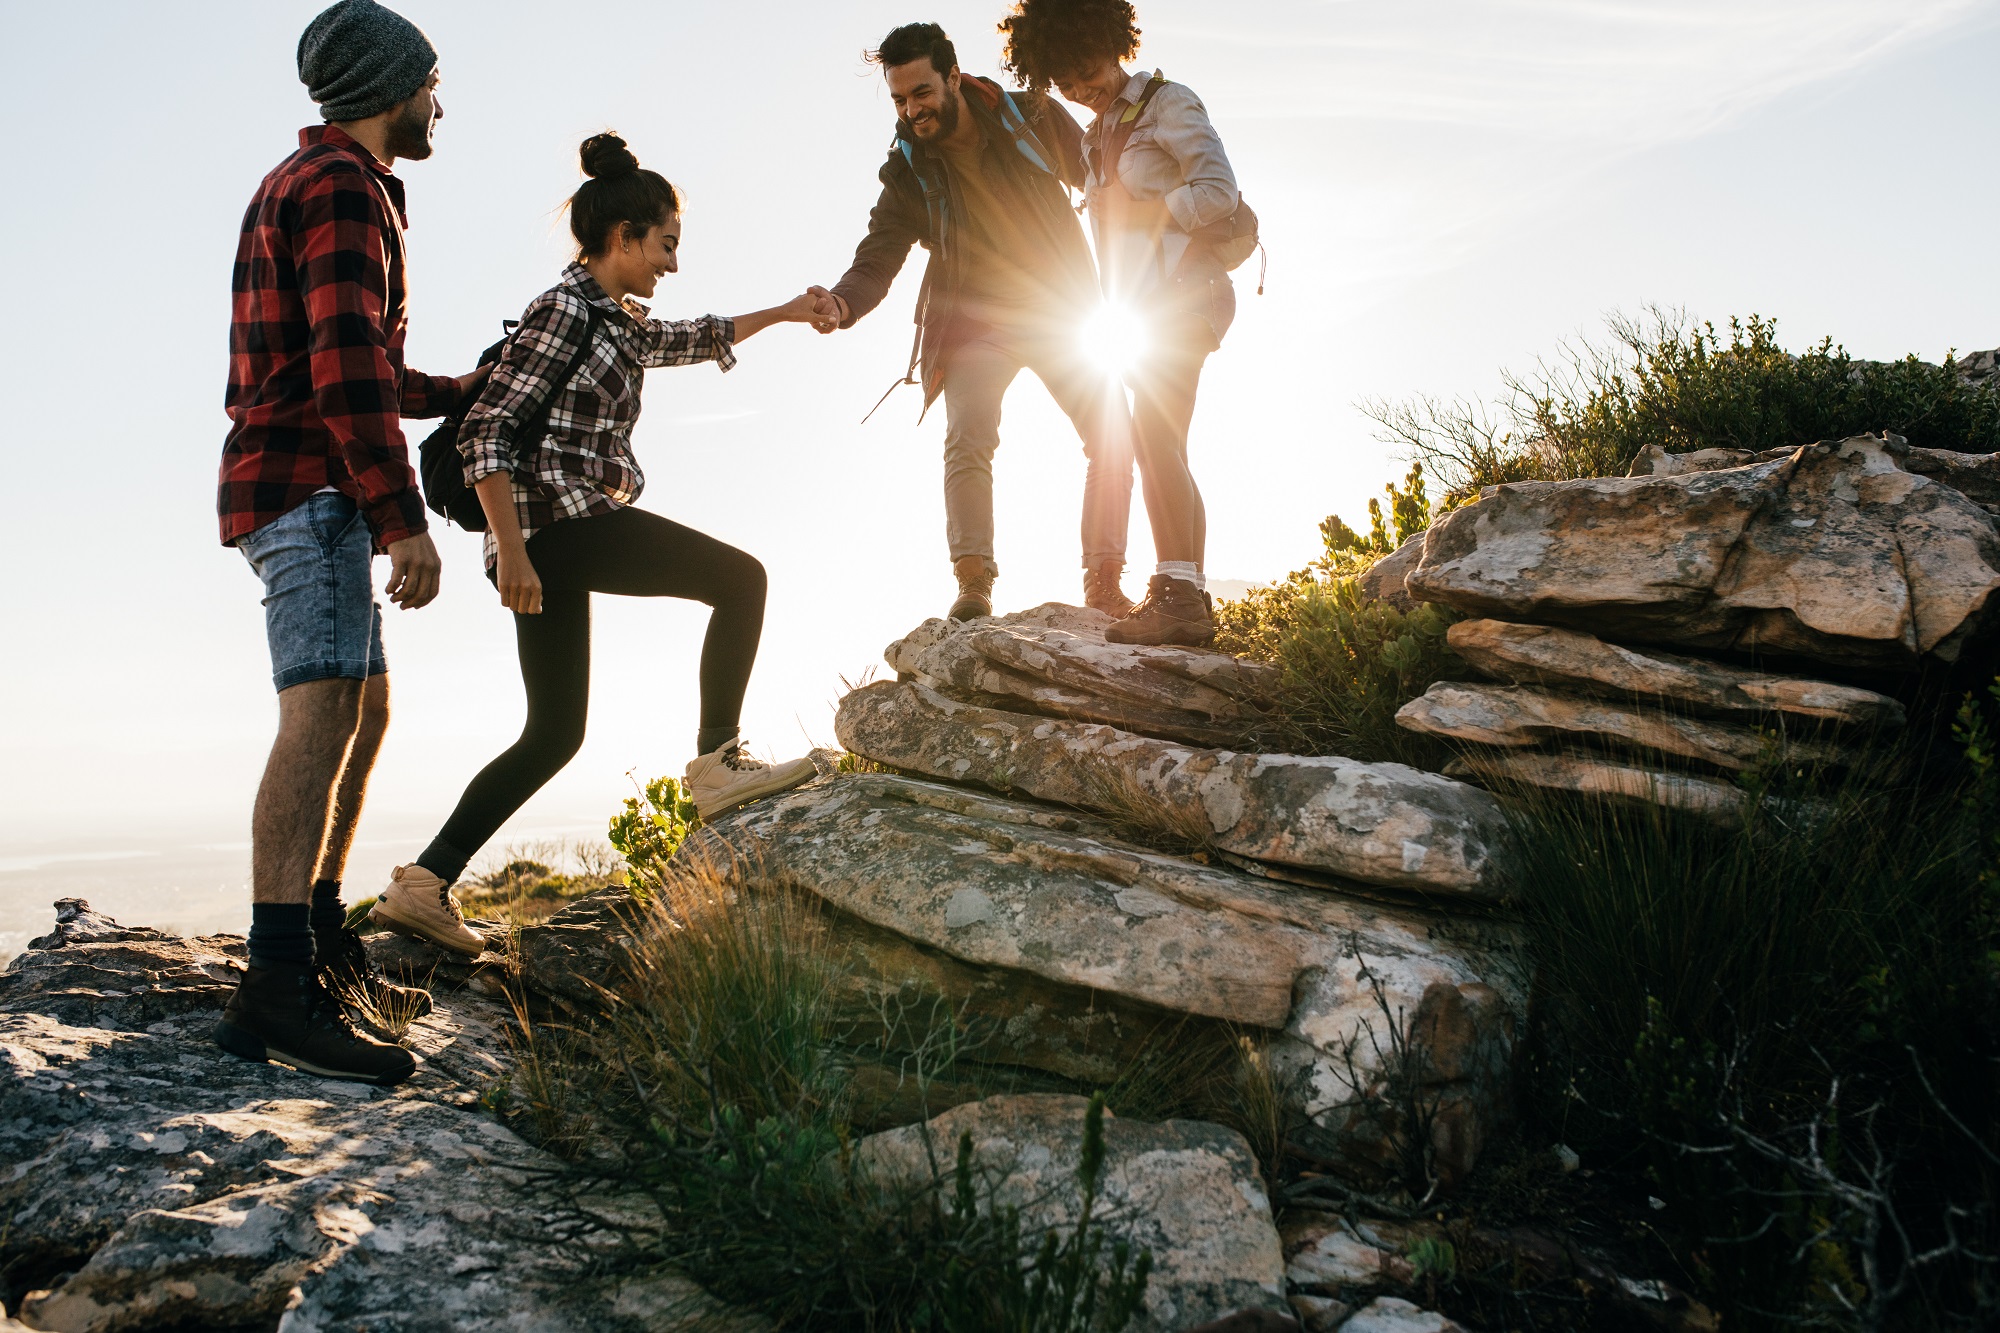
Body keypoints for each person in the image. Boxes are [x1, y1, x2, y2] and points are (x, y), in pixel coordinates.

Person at [368, 132, 823, 948]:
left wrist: (788, 311)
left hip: (551, 537)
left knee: (553, 732)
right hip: (558, 527)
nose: (672, 264)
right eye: (666, 244)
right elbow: (489, 435)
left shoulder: (617, 322)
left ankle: (426, 882)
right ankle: (718, 759)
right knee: (741, 579)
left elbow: (692, 335)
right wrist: (512, 550)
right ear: (623, 238)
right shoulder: (563, 310)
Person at [215, 0, 487, 1084]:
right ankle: (275, 983)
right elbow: (341, 374)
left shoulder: (319, 183)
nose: (438, 102)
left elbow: (357, 360)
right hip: (307, 487)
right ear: (391, 85)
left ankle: (317, 938)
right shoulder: (339, 189)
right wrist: (400, 519)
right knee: (321, 709)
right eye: (431, 81)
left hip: (299, 478)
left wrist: (466, 387)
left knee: (362, 706)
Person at [807, 21, 1138, 622]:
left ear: (953, 77)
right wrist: (841, 302)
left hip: (1062, 310)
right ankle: (974, 583)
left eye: (922, 93)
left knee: (1112, 427)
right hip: (976, 323)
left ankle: (1105, 580)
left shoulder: (1030, 116)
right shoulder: (906, 173)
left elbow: (1103, 178)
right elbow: (877, 258)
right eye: (900, 100)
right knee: (968, 436)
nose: (912, 111)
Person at [999, 0, 1242, 645]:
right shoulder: (1091, 136)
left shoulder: (1169, 102)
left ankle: (1180, 598)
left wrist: (1143, 210)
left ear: (1112, 41)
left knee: (1153, 433)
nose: (1081, 89)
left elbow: (1221, 191)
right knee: (1163, 440)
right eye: (1065, 83)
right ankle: (1183, 594)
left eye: (1086, 70)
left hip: (1188, 294)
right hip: (1138, 310)